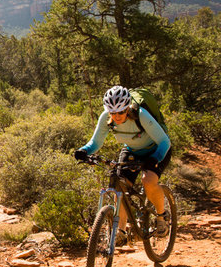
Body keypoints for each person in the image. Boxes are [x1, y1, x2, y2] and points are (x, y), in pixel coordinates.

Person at [74, 86, 172, 244]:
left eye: (120, 112)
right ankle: (121, 230)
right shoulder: (107, 117)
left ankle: (161, 216)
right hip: (132, 150)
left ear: (127, 107)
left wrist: (155, 158)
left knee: (148, 181)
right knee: (120, 186)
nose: (116, 116)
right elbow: (96, 142)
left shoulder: (141, 115)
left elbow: (164, 141)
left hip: (157, 149)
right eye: (113, 112)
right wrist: (84, 151)